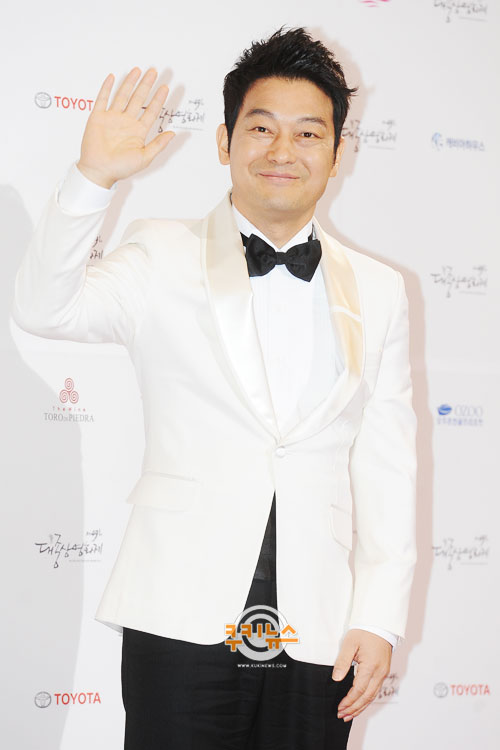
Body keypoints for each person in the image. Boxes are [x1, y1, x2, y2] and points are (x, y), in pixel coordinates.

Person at [12, 26, 417, 750]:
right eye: (261, 128)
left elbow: (387, 465)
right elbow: (45, 309)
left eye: (308, 133)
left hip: (318, 621)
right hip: (181, 611)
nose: (283, 150)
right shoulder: (159, 252)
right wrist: (92, 177)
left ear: (338, 153)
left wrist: (380, 616)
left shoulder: (382, 290)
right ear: (226, 142)